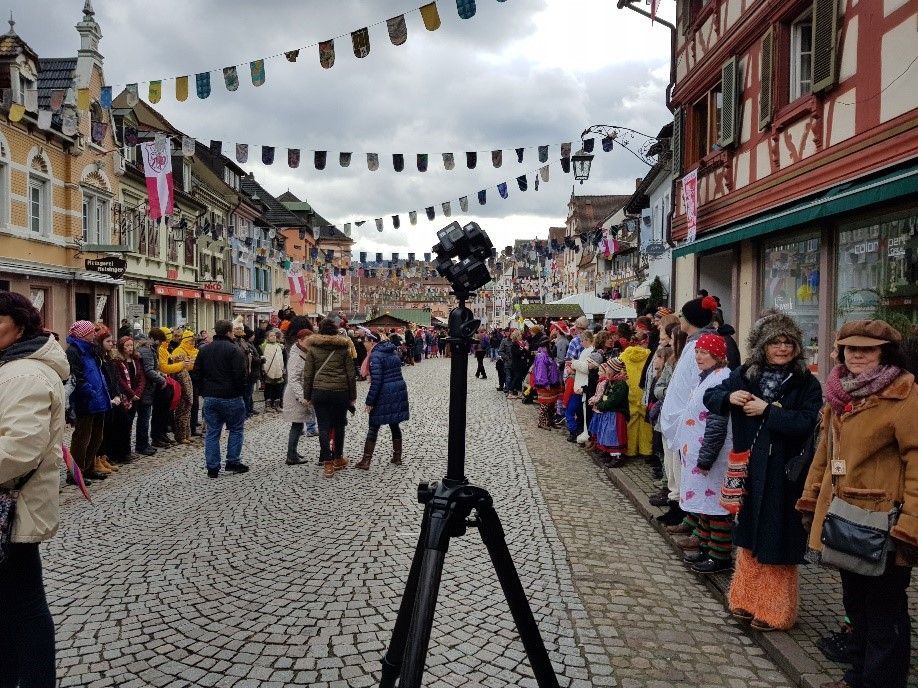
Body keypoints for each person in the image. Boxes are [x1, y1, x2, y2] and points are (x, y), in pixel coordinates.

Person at [796, 319, 917, 688]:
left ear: (885, 353)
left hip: (884, 522)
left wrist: (911, 522)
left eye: (867, 349)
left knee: (885, 611)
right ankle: (858, 676)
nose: (857, 355)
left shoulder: (904, 396)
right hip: (842, 516)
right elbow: (825, 452)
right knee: (856, 606)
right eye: (851, 348)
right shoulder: (840, 394)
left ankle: (881, 680)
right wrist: (811, 495)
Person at [704, 311, 822, 630]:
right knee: (748, 536)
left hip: (784, 474)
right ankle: (745, 598)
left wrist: (768, 411)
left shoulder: (806, 382)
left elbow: (807, 422)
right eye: (776, 342)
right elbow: (710, 397)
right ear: (762, 346)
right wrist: (729, 396)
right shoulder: (745, 375)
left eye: (788, 342)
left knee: (777, 540)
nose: (783, 348)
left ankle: (775, 610)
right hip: (748, 470)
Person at [0, 292, 68, 688]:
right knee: (15, 607)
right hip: (15, 509)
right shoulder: (13, 367)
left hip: (14, 509)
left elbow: (19, 448)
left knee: (22, 608)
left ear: (20, 326)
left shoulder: (24, 373)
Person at [669, 333, 733, 573]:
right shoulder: (707, 377)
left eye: (704, 353)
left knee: (714, 504)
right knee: (704, 503)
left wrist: (707, 455)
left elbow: (717, 424)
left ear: (717, 355)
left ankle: (719, 555)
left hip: (711, 453)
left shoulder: (721, 379)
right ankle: (707, 547)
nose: (698, 357)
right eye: (697, 352)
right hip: (697, 451)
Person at [659, 296, 719, 524]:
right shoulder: (692, 343)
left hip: (689, 419)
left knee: (684, 468)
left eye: (683, 315)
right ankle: (679, 505)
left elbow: (693, 384)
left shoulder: (701, 345)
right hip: (679, 417)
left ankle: (685, 512)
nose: (680, 319)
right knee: (675, 465)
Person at [194, 319, 249, 478]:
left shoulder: (204, 350)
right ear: (229, 332)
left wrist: (204, 391)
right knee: (236, 429)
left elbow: (197, 374)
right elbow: (240, 375)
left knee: (212, 432)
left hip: (211, 397)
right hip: (231, 396)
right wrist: (240, 391)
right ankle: (232, 461)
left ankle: (212, 467)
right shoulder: (234, 350)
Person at [302, 318, 357, 478]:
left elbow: (308, 374)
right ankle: (338, 458)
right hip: (340, 392)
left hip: (320, 392)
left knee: (324, 427)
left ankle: (327, 463)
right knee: (339, 425)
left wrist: (307, 395)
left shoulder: (313, 349)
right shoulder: (343, 348)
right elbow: (351, 374)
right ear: (335, 331)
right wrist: (352, 396)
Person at [65, 320, 111, 482]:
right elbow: (76, 375)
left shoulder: (91, 349)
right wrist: (89, 392)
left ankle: (89, 467)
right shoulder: (74, 350)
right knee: (82, 438)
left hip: (99, 398)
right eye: (92, 332)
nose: (94, 334)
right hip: (86, 400)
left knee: (96, 437)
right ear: (83, 333)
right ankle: (75, 473)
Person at [356, 333, 410, 469]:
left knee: (373, 425)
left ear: (373, 342)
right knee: (394, 423)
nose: (364, 343)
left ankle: (366, 461)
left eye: (366, 341)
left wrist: (369, 401)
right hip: (397, 389)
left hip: (384, 392)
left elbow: (377, 381)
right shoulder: (391, 351)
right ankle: (397, 457)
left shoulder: (375, 356)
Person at [105, 336, 146, 465]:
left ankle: (126, 451)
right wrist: (130, 393)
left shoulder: (136, 360)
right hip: (124, 396)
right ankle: (119, 452)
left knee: (129, 425)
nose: (129, 348)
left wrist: (137, 393)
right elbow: (120, 380)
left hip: (134, 397)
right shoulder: (117, 362)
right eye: (127, 346)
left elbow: (141, 378)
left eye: (131, 345)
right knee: (121, 425)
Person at [283, 327, 319, 466]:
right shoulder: (296, 357)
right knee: (296, 425)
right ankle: (291, 455)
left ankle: (293, 452)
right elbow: (293, 379)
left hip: (300, 394)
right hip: (296, 396)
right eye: (308, 341)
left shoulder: (303, 352)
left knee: (298, 424)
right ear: (300, 340)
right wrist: (301, 397)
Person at [587, 358, 629, 461]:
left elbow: (614, 400)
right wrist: (600, 403)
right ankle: (608, 452)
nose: (606, 370)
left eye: (608, 368)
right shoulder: (610, 382)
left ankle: (617, 456)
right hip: (608, 413)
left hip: (616, 414)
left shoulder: (620, 384)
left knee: (614, 435)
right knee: (607, 433)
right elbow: (604, 396)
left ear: (613, 370)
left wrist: (601, 406)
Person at [150, 328, 186, 447]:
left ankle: (162, 434)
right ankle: (157, 436)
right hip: (160, 384)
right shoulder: (158, 349)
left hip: (165, 383)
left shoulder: (163, 348)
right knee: (158, 412)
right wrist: (180, 365)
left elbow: (164, 365)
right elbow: (162, 367)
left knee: (164, 412)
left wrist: (174, 361)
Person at [620, 331, 652, 459]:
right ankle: (646, 450)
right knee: (645, 423)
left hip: (630, 391)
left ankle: (630, 449)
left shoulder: (624, 356)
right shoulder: (649, 355)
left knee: (631, 421)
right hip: (644, 391)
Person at [135, 333, 163, 457]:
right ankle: (142, 445)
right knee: (144, 418)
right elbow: (149, 370)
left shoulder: (145, 350)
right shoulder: (147, 351)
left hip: (145, 389)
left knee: (144, 418)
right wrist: (162, 380)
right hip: (145, 389)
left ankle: (144, 444)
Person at [532, 338, 561, 430]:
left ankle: (550, 421)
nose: (551, 346)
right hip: (546, 384)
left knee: (552, 404)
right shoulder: (541, 356)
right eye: (550, 344)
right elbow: (541, 371)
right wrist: (545, 383)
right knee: (545, 404)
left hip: (553, 383)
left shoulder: (548, 355)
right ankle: (542, 422)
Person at [260, 329, 286, 413]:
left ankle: (276, 405)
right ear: (267, 337)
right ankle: (268, 405)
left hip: (278, 370)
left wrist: (283, 368)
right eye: (271, 336)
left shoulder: (280, 346)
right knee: (269, 388)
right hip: (268, 370)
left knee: (278, 387)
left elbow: (283, 358)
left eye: (274, 335)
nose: (273, 337)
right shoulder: (263, 346)